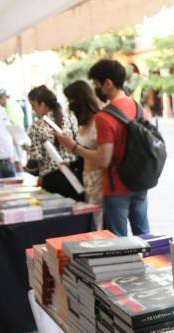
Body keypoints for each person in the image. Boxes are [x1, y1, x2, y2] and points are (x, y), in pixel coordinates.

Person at [56, 59, 150, 236]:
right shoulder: (137, 107)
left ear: (108, 83)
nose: (97, 90)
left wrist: (74, 147)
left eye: (98, 84)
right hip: (139, 180)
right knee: (144, 235)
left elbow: (103, 159)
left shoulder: (104, 116)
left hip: (116, 186)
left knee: (118, 242)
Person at [25, 85, 80, 198]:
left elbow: (36, 158)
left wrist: (27, 168)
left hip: (52, 180)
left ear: (43, 104)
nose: (33, 109)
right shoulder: (70, 119)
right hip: (74, 175)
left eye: (33, 105)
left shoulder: (38, 125)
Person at [64, 80, 104, 226]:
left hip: (99, 178)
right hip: (87, 178)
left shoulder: (99, 121)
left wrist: (73, 147)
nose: (69, 105)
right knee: (94, 220)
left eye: (71, 100)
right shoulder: (84, 122)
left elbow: (101, 156)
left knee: (99, 222)